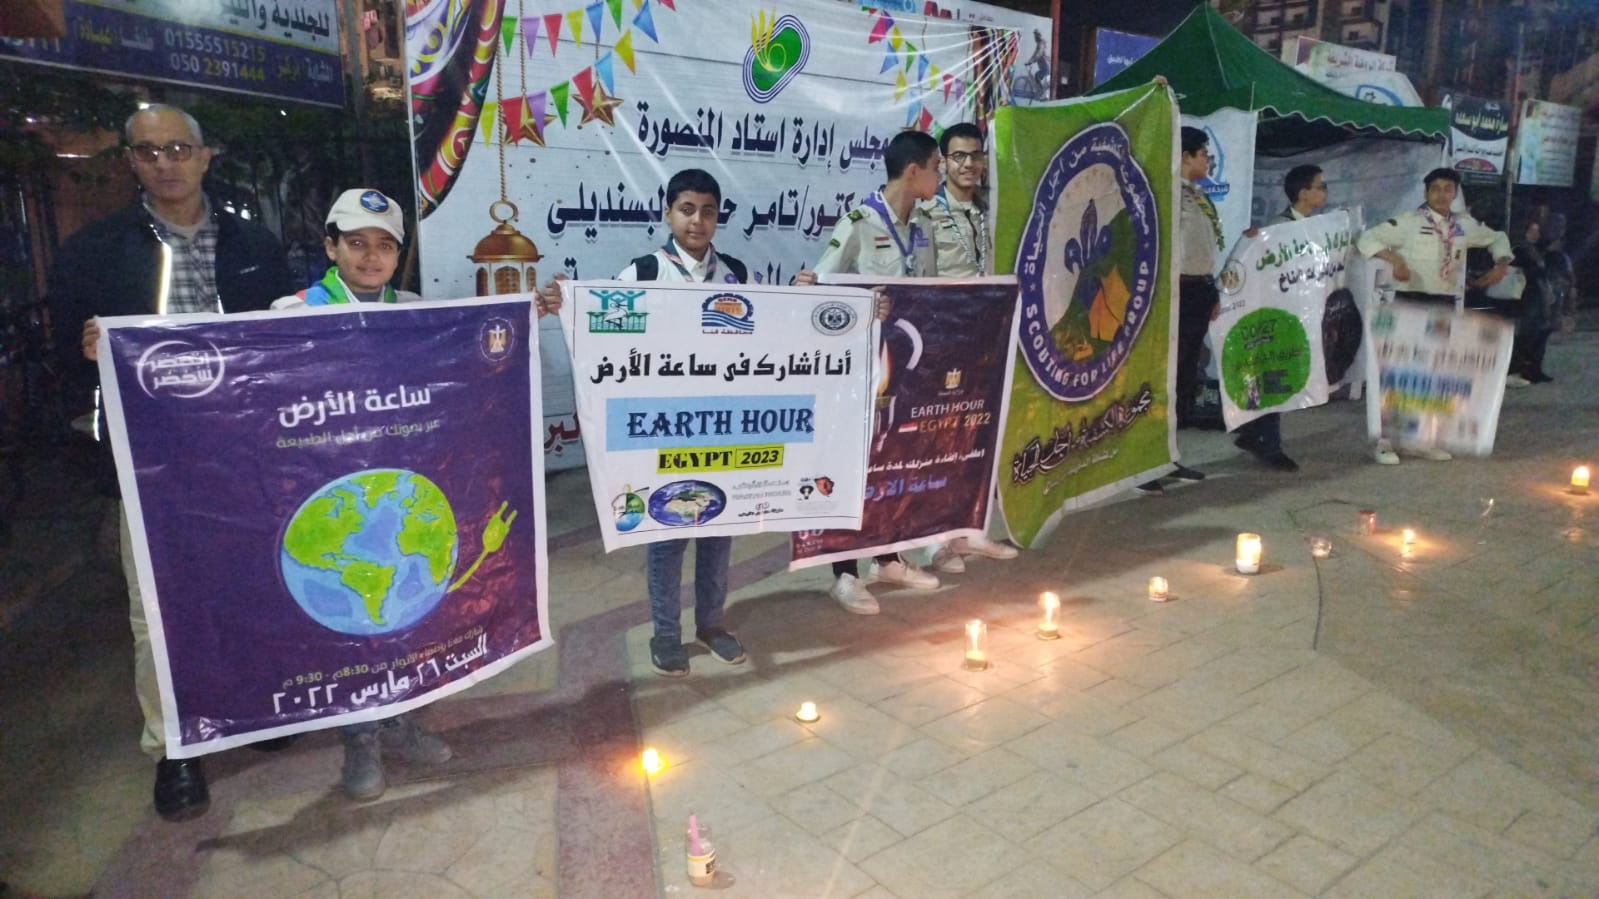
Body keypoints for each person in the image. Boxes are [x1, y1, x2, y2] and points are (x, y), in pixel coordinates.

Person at [53, 104, 295, 821]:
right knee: (156, 607)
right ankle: (176, 747)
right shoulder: (96, 251)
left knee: (253, 584)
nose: (166, 163)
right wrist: (87, 353)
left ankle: (255, 707)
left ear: (206, 155)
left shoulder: (254, 244)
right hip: (148, 459)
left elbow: (287, 342)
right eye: (149, 151)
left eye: (179, 149)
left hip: (243, 451)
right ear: (130, 160)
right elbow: (63, 359)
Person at [542, 168, 748, 677]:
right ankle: (666, 633)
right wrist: (569, 304)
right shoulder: (644, 272)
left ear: (717, 217)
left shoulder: (736, 274)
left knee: (720, 530)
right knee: (669, 534)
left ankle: (712, 624)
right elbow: (602, 329)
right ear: (667, 213)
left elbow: (765, 335)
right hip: (664, 430)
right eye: (686, 209)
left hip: (722, 425)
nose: (697, 221)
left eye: (707, 211)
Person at [792, 130, 944, 614]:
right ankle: (845, 572)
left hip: (906, 365)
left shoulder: (925, 225)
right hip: (857, 371)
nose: (940, 176)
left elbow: (931, 292)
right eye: (936, 167)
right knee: (852, 467)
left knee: (894, 462)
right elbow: (822, 289)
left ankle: (889, 557)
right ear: (913, 172)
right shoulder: (859, 223)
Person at [917, 122, 1020, 575]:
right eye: (959, 156)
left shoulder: (991, 210)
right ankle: (934, 541)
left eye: (976, 156)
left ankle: (972, 529)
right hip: (942, 338)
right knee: (935, 439)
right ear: (942, 162)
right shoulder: (926, 213)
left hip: (987, 335)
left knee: (978, 436)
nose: (969, 165)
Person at [1356, 167, 1512, 463]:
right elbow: (1366, 239)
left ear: (1455, 194)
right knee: (1398, 374)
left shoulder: (1463, 225)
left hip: (1443, 306)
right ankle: (1383, 441)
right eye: (1436, 189)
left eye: (1447, 189)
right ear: (1426, 193)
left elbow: (1497, 238)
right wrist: (1394, 259)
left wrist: (1501, 265)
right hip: (1410, 304)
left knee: (1433, 375)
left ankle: (1419, 439)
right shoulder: (1409, 223)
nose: (1441, 195)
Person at [1232, 165, 1327, 473]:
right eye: (1320, 186)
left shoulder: (1312, 226)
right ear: (1303, 193)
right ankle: (1268, 445)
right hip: (1275, 313)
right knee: (1275, 376)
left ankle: (1252, 433)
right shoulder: (1279, 228)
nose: (1324, 192)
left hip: (1295, 310)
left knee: (1278, 375)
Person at [1136, 126, 1214, 495]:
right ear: (1185, 156)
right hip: (1174, 293)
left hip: (1198, 290)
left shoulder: (1196, 195)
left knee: (1184, 378)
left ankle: (1168, 455)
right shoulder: (1166, 194)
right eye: (1203, 154)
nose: (1208, 160)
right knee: (1162, 379)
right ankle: (1144, 463)